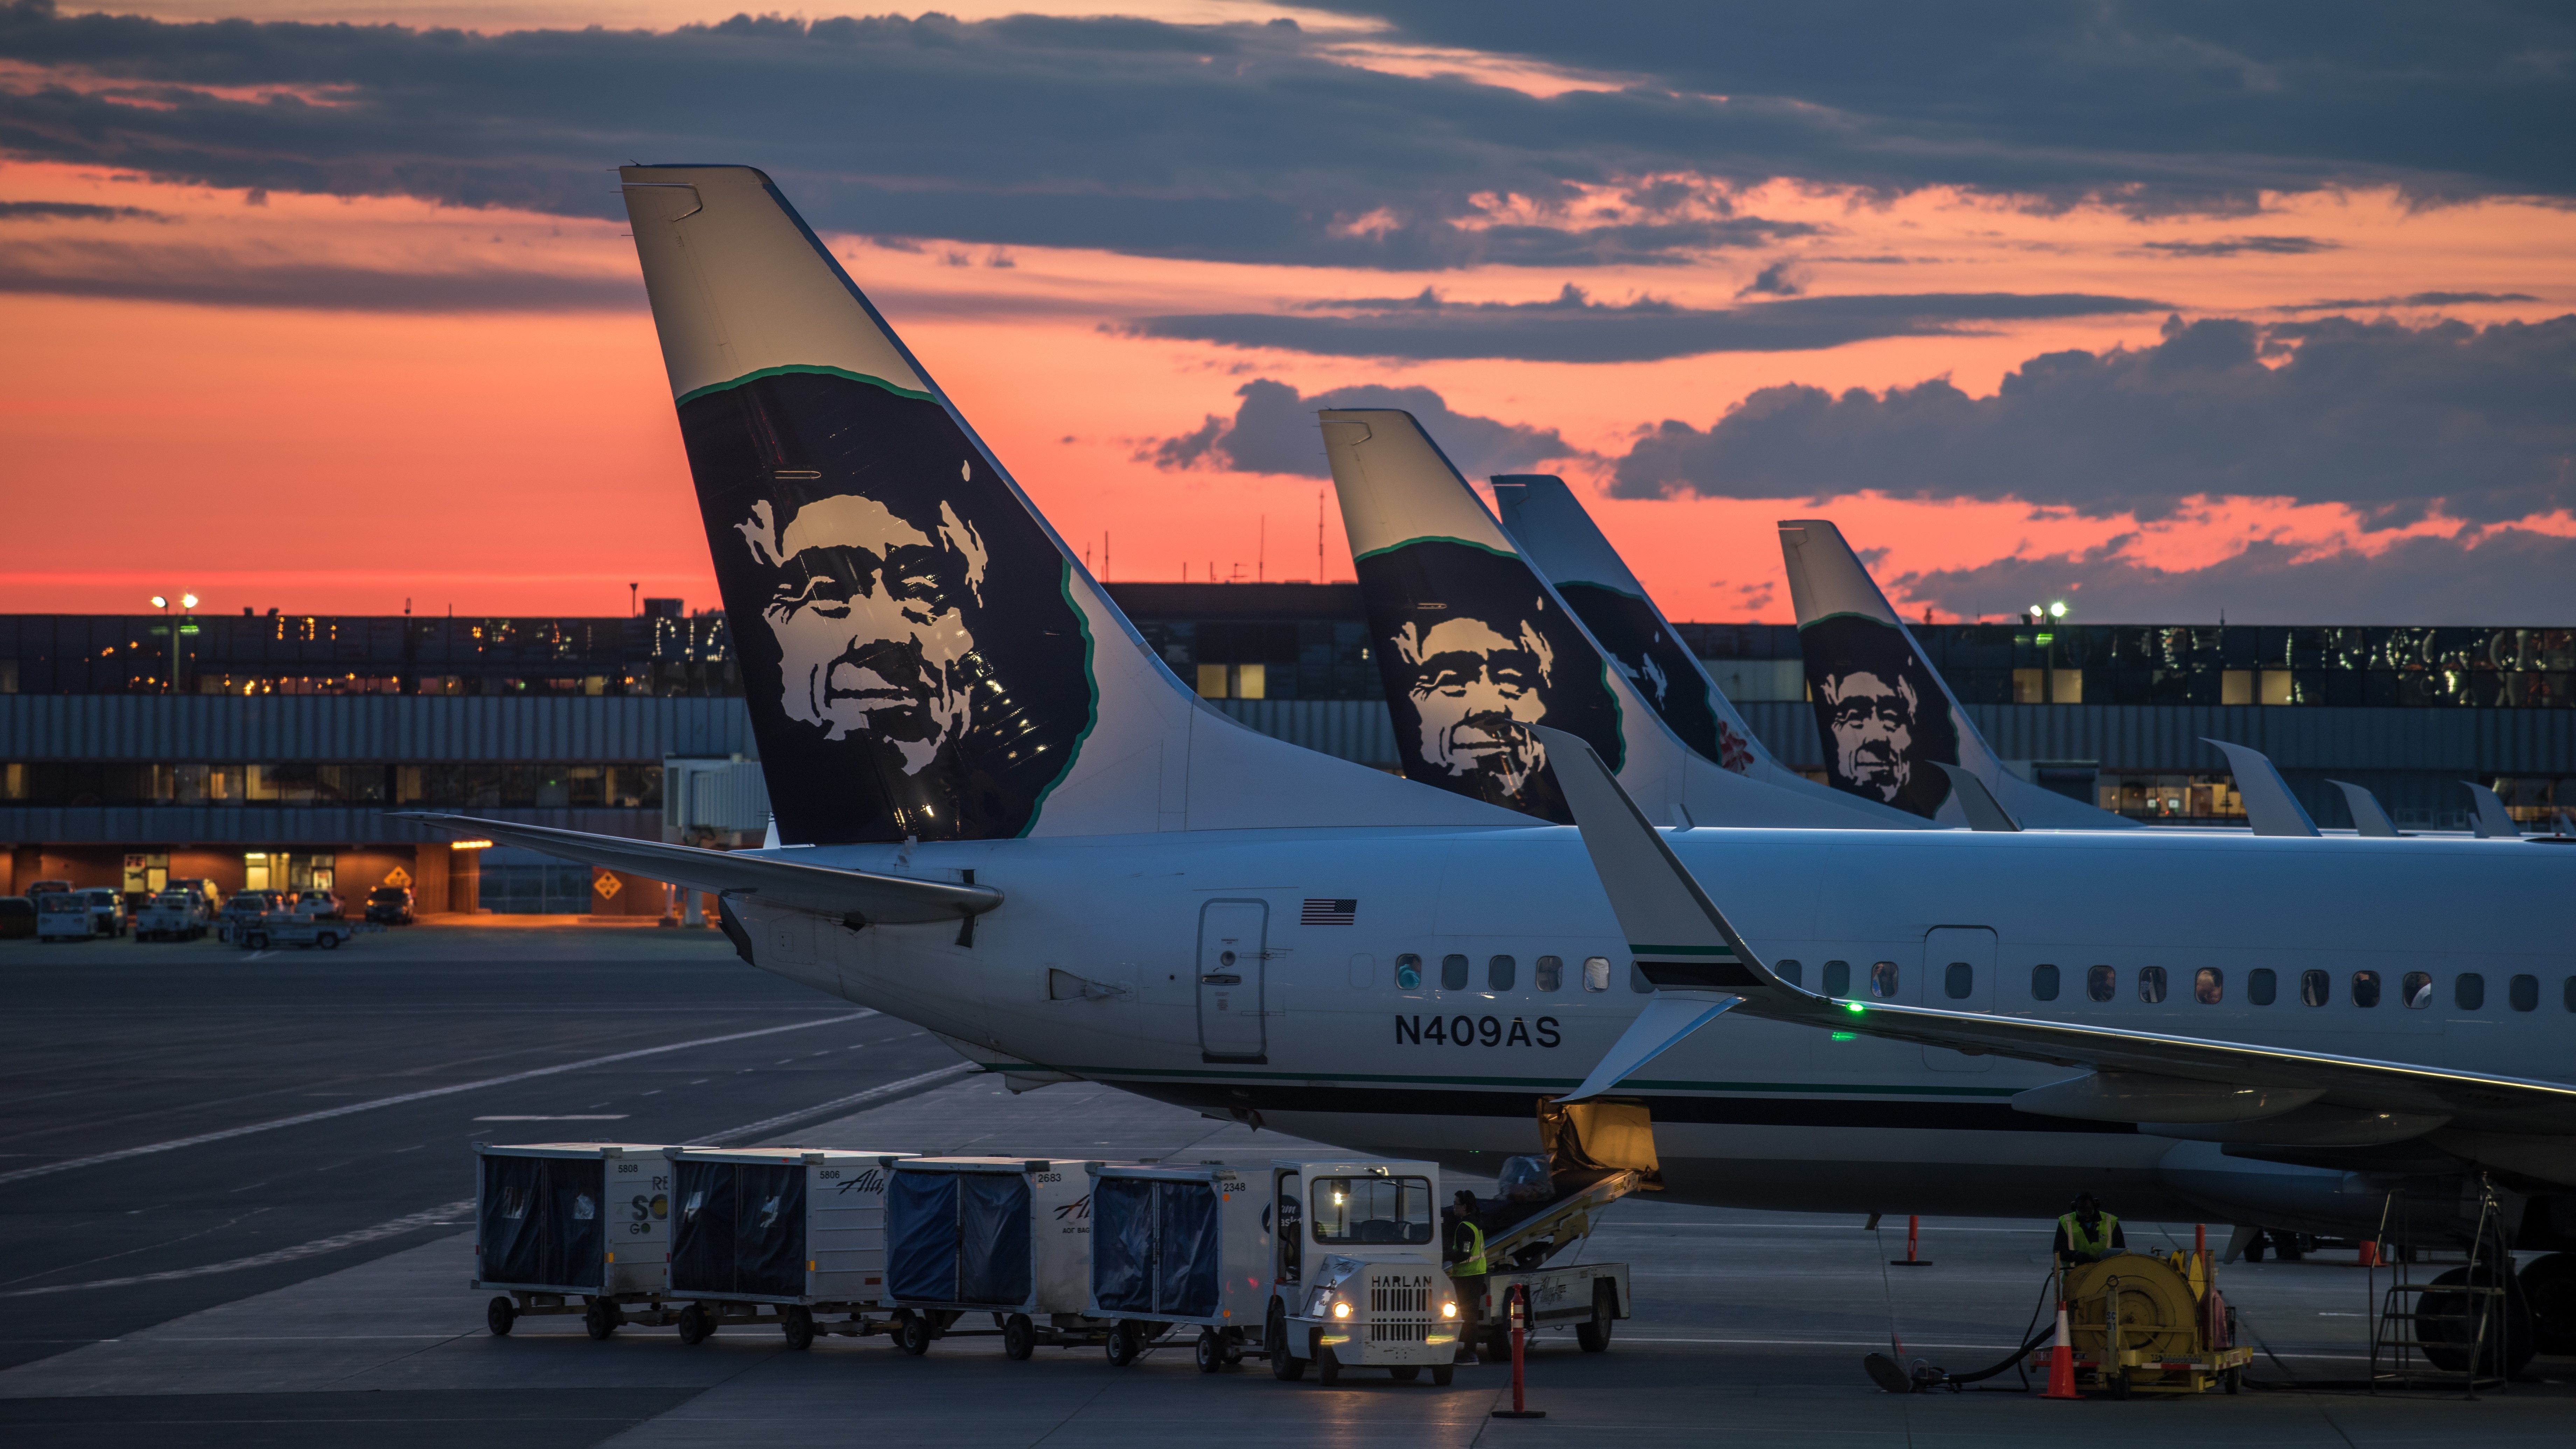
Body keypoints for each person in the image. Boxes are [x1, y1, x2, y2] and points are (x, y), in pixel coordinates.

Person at [1443, 1188, 1490, 1364]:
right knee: (1469, 1317)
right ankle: (1469, 1352)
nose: (1454, 1208)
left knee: (1467, 1317)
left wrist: (1445, 1255)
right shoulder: (1475, 1223)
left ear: (1464, 1207)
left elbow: (1464, 1254)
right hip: (1475, 1275)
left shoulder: (1465, 1227)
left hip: (1468, 1277)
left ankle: (1470, 1353)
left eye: (1456, 1205)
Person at [2054, 1192, 2126, 1267]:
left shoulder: (2111, 1222)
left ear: (2095, 1207)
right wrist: (2076, 1256)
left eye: (2089, 1213)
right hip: (2074, 1275)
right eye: (2082, 1214)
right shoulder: (2066, 1222)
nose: (2086, 1217)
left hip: (2105, 1274)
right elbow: (2059, 1251)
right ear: (2075, 1209)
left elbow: (2120, 1252)